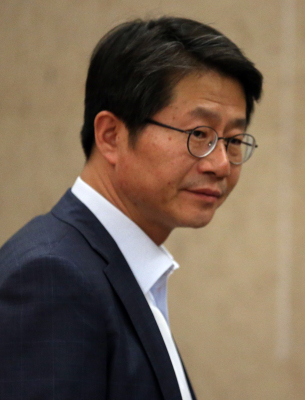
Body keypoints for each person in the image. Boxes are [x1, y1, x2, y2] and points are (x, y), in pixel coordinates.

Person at [0, 16, 262, 400]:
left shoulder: (116, 267)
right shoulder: (52, 277)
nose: (221, 164)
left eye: (234, 140)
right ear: (111, 136)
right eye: (199, 135)